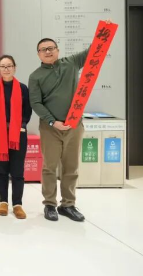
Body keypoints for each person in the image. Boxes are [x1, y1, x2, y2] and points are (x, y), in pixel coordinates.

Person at [29, 38, 88, 222]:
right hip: (50, 129)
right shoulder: (35, 76)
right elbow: (36, 103)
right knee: (49, 167)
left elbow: (94, 52)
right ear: (38, 54)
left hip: (74, 127)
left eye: (51, 48)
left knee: (71, 167)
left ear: (57, 50)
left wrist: (104, 32)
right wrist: (53, 122)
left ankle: (68, 205)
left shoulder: (72, 62)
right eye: (43, 49)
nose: (48, 52)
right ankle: (50, 204)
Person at [0, 55, 32, 219]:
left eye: (9, 66)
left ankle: (17, 204)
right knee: (2, 169)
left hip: (18, 134)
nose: (6, 69)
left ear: (14, 68)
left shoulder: (23, 88)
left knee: (17, 170)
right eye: (3, 66)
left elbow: (27, 110)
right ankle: (3, 202)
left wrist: (21, 125)